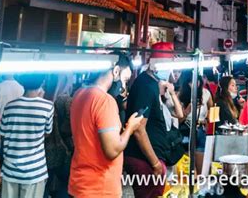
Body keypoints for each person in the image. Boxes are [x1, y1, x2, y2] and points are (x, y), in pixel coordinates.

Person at [68, 54, 143, 198]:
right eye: (125, 80)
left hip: (78, 183)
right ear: (115, 72)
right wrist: (130, 128)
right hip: (99, 188)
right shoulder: (105, 101)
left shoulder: (79, 94)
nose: (123, 87)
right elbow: (112, 150)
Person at [124, 43, 185, 198]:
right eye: (167, 64)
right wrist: (155, 164)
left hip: (151, 158)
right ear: (155, 64)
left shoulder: (153, 85)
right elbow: (138, 128)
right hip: (144, 160)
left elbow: (178, 114)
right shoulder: (146, 86)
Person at [0, 73, 54, 198]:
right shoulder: (47, 107)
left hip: (10, 169)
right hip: (35, 172)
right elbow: (47, 133)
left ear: (22, 82)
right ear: (42, 82)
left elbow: (2, 132)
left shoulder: (10, 106)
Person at [178, 72, 213, 153]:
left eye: (197, 81)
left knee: (201, 153)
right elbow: (178, 121)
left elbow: (212, 108)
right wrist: (187, 111)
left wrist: (207, 120)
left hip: (201, 129)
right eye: (191, 82)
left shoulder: (206, 93)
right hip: (186, 129)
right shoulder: (180, 95)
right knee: (186, 158)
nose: (195, 84)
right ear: (186, 83)